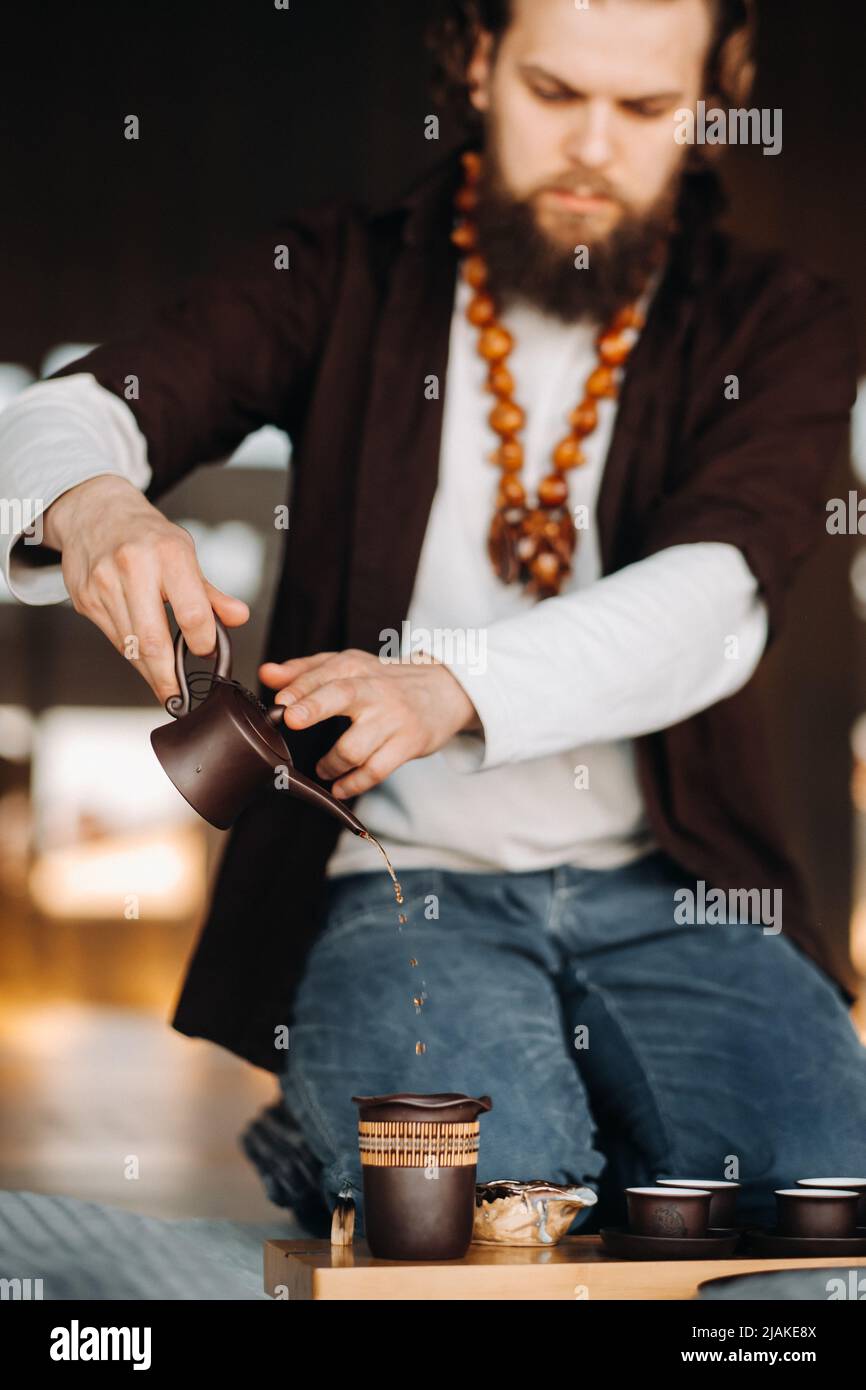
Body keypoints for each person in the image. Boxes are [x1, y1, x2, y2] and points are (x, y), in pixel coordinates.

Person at [1, 0, 864, 1235]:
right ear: (474, 63)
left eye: (643, 109)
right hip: (401, 881)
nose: (592, 146)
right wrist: (92, 506)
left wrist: (444, 685)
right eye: (555, 94)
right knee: (481, 1214)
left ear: (714, 98)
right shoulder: (346, 266)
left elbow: (711, 595)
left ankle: (331, 1138)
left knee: (822, 1210)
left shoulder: (774, 320)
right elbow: (70, 411)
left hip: (671, 889)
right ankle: (365, 1128)